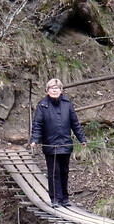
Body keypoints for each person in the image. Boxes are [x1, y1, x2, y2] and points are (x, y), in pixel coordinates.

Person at [30, 78, 87, 207]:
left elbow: (75, 123)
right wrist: (34, 139)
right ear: (47, 90)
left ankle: (65, 198)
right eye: (52, 88)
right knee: (53, 172)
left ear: (61, 90)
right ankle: (55, 199)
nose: (54, 90)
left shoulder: (67, 103)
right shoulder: (42, 106)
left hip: (65, 143)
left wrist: (82, 138)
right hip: (51, 144)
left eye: (57, 88)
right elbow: (37, 125)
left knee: (64, 171)